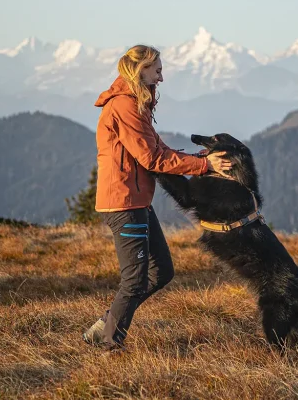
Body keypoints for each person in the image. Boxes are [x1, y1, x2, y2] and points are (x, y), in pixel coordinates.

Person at [83, 44, 232, 352]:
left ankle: (105, 327)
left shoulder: (137, 103)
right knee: (134, 280)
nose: (161, 78)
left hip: (136, 200)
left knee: (161, 271)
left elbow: (159, 149)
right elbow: (152, 159)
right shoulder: (125, 106)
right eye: (158, 71)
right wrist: (204, 166)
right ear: (142, 70)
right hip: (123, 202)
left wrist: (199, 159)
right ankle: (110, 344)